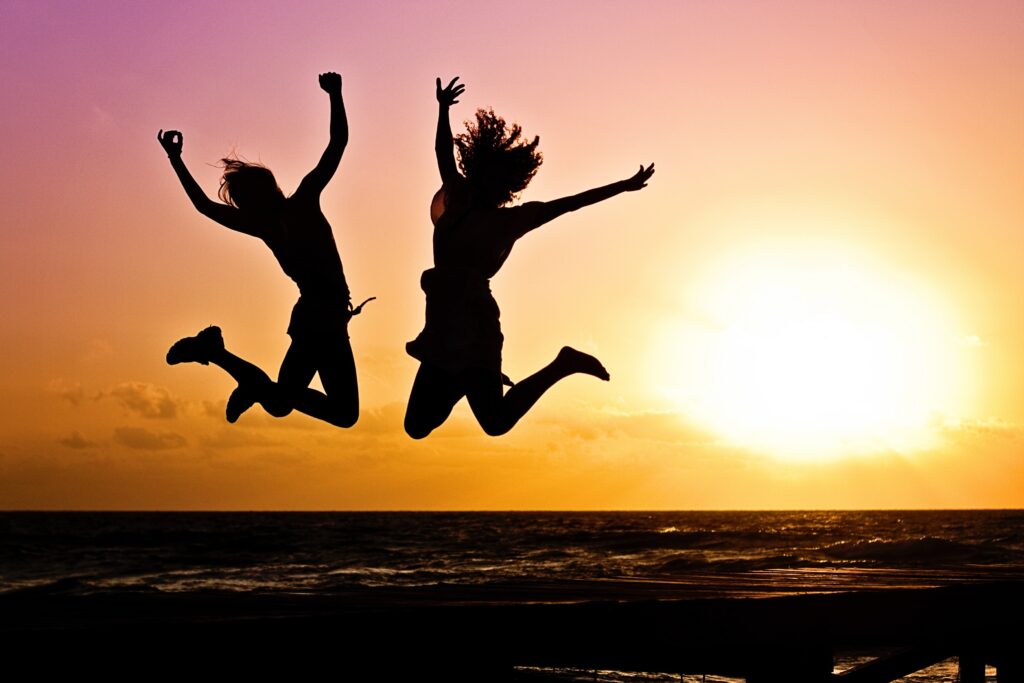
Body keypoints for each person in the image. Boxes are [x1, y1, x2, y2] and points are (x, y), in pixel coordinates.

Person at [404, 76, 654, 439]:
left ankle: (562, 364)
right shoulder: (457, 196)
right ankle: (466, 379)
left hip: (474, 326)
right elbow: (443, 154)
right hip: (442, 323)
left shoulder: (511, 221)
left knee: (495, 422)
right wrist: (442, 109)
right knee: (416, 425)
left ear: (506, 183)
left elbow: (570, 204)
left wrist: (623, 186)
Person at [157, 72, 368, 428]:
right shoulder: (297, 205)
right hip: (323, 317)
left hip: (318, 316)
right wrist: (336, 93)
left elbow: (204, 207)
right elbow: (338, 144)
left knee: (282, 402)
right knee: (334, 411)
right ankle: (226, 361)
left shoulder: (267, 224)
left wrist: (175, 159)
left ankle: (220, 356)